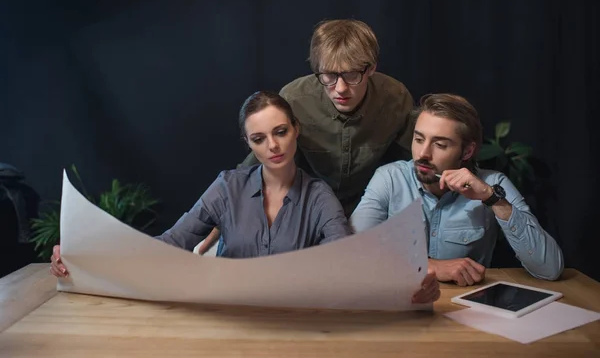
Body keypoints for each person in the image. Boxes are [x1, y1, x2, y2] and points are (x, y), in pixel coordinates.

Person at [50, 91, 440, 304]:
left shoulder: (319, 195)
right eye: (259, 138)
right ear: (248, 144)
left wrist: (411, 285)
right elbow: (170, 244)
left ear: (296, 130)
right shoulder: (227, 186)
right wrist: (88, 256)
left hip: (294, 324)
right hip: (224, 317)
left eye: (281, 132)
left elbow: (344, 263)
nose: (273, 145)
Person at [200, 18, 415, 254]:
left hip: (368, 214)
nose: (340, 88)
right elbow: (255, 166)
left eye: (352, 75)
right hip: (304, 213)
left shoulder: (396, 98)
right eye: (328, 76)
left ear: (371, 68)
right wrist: (218, 222)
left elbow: (411, 167)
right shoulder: (295, 98)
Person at [349, 93, 564, 286]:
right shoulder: (389, 178)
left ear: (467, 151)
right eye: (418, 139)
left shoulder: (493, 184)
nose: (423, 153)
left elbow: (550, 269)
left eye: (440, 145)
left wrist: (492, 199)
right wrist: (429, 266)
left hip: (466, 310)